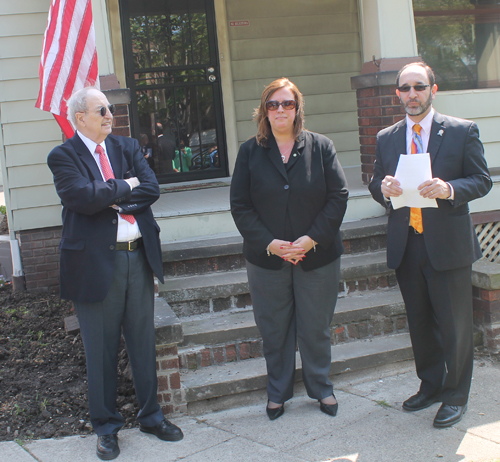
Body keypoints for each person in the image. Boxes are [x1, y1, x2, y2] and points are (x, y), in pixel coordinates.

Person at [47, 87, 183, 460]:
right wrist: (125, 187)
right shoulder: (63, 156)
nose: (110, 114)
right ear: (80, 118)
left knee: (142, 342)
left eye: (109, 108)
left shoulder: (126, 147)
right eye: (101, 109)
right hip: (94, 265)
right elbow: (81, 198)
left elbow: (151, 188)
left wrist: (110, 194)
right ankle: (106, 428)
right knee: (101, 351)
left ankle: (152, 417)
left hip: (137, 257)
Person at [369, 62, 492, 428]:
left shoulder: (460, 131)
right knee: (420, 322)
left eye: (418, 87)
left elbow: (481, 180)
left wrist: (449, 189)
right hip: (407, 244)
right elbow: (376, 182)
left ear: (433, 90)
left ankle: (456, 396)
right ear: (397, 94)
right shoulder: (386, 137)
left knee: (454, 325)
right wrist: (383, 190)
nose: (412, 94)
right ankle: (432, 385)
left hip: (448, 244)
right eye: (405, 88)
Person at [230, 78, 348, 420]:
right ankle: (277, 393)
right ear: (263, 111)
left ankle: (321, 388)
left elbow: (338, 197)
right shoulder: (250, 151)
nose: (280, 110)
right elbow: (240, 205)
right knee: (274, 329)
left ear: (298, 109)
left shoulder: (321, 147)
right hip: (267, 259)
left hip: (318, 256)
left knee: (315, 327)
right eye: (273, 104)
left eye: (287, 104)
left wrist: (310, 239)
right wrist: (270, 243)